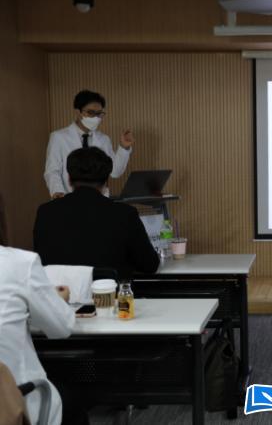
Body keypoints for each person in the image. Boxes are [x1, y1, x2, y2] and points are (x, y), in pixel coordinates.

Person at [34, 147, 160, 278]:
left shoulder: (45, 213)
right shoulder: (125, 214)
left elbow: (42, 263)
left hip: (61, 290)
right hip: (110, 290)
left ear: (69, 179)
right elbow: (150, 265)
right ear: (106, 182)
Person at [0, 245, 75, 425]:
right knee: (74, 402)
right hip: (15, 403)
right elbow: (62, 327)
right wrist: (57, 301)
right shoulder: (20, 263)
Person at [44, 90, 134, 199]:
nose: (96, 118)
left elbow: (114, 172)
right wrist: (57, 191)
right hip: (69, 198)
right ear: (78, 112)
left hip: (99, 200)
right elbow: (52, 170)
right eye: (91, 112)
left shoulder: (104, 139)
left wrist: (124, 148)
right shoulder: (59, 137)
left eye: (99, 113)